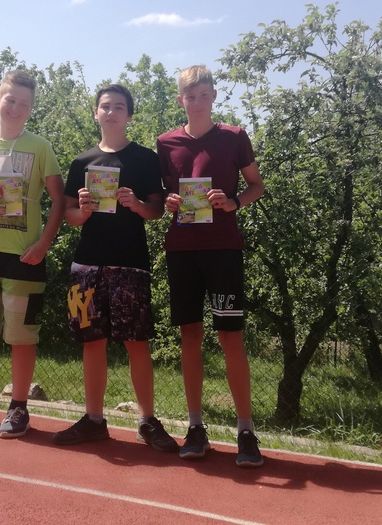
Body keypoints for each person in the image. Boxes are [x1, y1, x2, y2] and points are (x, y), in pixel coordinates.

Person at [51, 84, 178, 452]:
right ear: (96, 112)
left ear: (129, 115)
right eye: (105, 106)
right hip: (86, 264)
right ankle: (94, 420)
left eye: (119, 107)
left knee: (137, 342)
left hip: (130, 263)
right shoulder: (81, 162)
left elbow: (156, 211)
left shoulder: (144, 159)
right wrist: (82, 211)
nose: (111, 112)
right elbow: (70, 217)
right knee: (92, 342)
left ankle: (147, 421)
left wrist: (136, 204)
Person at [157, 65, 265, 467]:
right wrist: (169, 201)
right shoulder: (165, 142)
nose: (197, 102)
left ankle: (246, 431)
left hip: (223, 250)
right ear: (180, 100)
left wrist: (234, 202)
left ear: (214, 96)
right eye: (190, 96)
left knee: (230, 336)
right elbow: (164, 194)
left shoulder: (235, 136)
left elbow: (257, 185)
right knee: (190, 336)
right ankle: (195, 427)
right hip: (182, 252)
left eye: (204, 95)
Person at [0, 70, 65, 439]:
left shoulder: (40, 147)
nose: (16, 108)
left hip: (25, 256)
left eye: (24, 103)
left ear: (31, 108)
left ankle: (18, 408)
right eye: (11, 99)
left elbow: (59, 199)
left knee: (22, 336)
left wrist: (44, 244)